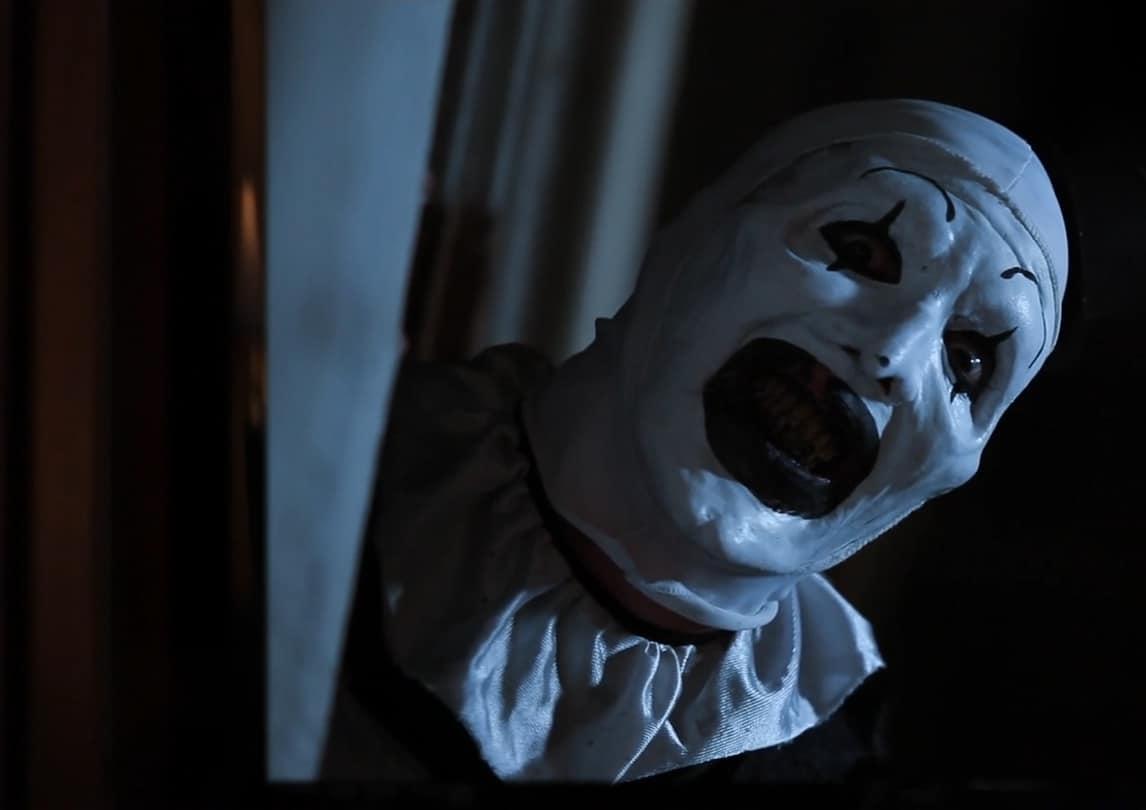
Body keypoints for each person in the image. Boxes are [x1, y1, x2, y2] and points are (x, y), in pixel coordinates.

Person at [323, 98, 1071, 783]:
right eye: (865, 249)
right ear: (704, 230)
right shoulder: (343, 456)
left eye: (967, 361)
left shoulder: (821, 770)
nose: (893, 357)